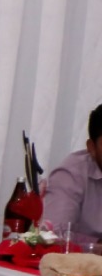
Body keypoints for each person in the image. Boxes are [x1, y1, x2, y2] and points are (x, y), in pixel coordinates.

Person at [41, 105, 102, 247]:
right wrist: (97, 245)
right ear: (91, 147)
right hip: (78, 260)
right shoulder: (71, 175)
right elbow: (54, 235)